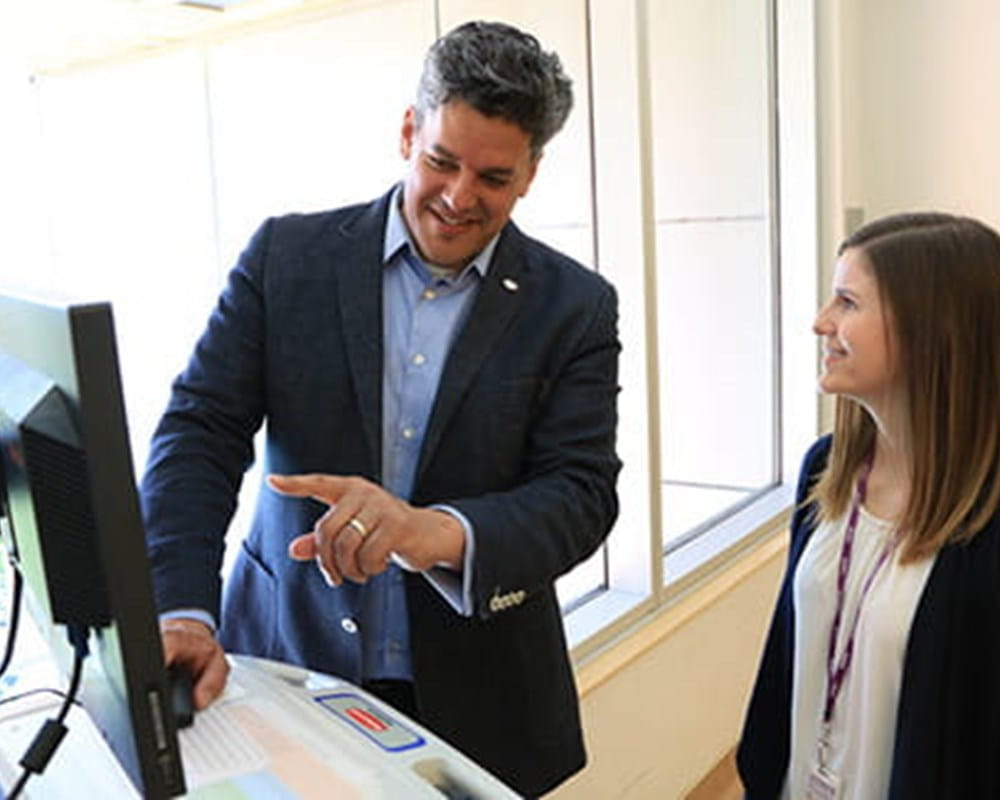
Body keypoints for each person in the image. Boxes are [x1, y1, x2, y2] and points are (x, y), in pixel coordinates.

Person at [139, 19, 620, 798]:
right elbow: (201, 431)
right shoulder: (285, 258)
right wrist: (180, 609)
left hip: (481, 702)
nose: (460, 199)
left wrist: (428, 532)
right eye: (441, 161)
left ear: (531, 173)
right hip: (285, 664)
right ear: (408, 130)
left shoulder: (576, 307)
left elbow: (580, 495)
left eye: (494, 179)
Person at [737, 212, 1000, 799]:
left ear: (931, 329)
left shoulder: (987, 521)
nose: (820, 322)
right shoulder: (826, 470)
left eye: (847, 302)